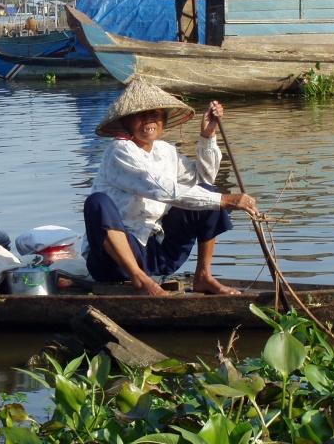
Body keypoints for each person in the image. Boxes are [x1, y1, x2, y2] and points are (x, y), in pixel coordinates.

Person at [83, 78, 260, 296]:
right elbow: (160, 188)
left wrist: (207, 137)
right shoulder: (119, 151)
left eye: (155, 114)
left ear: (164, 120)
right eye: (140, 115)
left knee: (207, 194)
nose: (149, 120)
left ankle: (203, 276)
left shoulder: (164, 151)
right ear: (126, 122)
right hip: (115, 261)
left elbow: (204, 179)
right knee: (97, 203)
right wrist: (226, 200)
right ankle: (140, 281)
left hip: (157, 254)